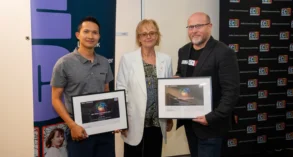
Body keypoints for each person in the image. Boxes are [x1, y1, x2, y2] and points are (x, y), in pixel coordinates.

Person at [175, 12, 240, 157]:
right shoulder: (184, 51)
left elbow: (231, 92)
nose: (194, 30)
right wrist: (177, 79)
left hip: (212, 126)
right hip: (190, 123)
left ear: (210, 27)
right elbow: (181, 73)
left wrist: (211, 118)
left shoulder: (223, 52)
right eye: (190, 27)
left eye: (198, 26)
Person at [50, 16, 115, 157]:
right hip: (79, 130)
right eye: (86, 31)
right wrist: (72, 125)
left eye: (95, 32)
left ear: (99, 36)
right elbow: (55, 99)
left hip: (104, 129)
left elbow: (106, 92)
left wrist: (114, 120)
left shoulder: (104, 62)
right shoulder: (64, 63)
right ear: (78, 35)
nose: (91, 36)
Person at [116, 19, 173, 157]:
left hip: (157, 122)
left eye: (152, 33)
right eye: (144, 34)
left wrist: (170, 117)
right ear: (139, 38)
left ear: (157, 36)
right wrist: (122, 121)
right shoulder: (127, 59)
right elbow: (121, 91)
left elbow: (169, 91)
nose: (149, 36)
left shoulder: (166, 60)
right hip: (133, 121)